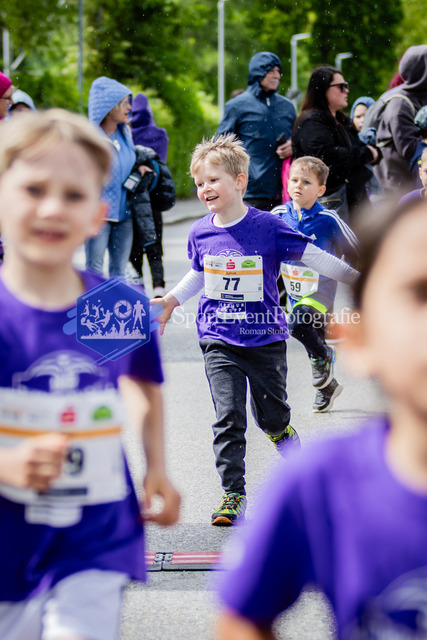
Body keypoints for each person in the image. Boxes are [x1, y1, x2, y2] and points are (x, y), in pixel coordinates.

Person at [0, 109, 180, 640]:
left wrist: (156, 465)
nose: (53, 208)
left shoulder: (113, 304)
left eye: (74, 195)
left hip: (96, 535)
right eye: (34, 189)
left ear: (98, 215)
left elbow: (142, 382)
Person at [215, 196, 427, 639]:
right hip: (241, 334)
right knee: (237, 415)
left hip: (277, 332)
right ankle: (233, 489)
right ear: (360, 339)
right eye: (419, 293)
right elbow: (241, 621)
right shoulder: (318, 480)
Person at [154, 134, 358, 527]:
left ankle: (292, 452)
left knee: (272, 419)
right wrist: (172, 301)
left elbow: (316, 257)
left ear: (240, 181)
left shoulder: (268, 226)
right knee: (228, 416)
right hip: (218, 338)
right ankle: (233, 493)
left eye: (213, 180)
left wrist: (365, 282)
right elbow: (199, 273)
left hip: (265, 339)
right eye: (199, 182)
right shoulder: (200, 231)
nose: (205, 188)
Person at [272, 156, 359, 412]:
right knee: (312, 339)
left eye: (306, 182)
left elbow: (356, 251)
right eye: (294, 180)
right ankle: (327, 388)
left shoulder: (328, 219)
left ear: (320, 190)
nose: (298, 185)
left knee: (298, 324)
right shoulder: (278, 216)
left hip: (321, 294)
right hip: (294, 291)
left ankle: (325, 356)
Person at [292, 66, 379, 223]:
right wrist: (367, 154)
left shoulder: (340, 119)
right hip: (329, 200)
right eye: (341, 87)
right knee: (334, 241)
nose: (347, 90)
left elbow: (356, 148)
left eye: (346, 86)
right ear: (324, 90)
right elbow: (326, 157)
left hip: (350, 199)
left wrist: (370, 152)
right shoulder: (312, 121)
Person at [217, 52, 296, 211]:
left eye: (278, 71)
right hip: (250, 193)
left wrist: (293, 146)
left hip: (286, 192)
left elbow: (301, 139)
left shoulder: (287, 106)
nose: (276, 76)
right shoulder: (236, 106)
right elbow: (221, 148)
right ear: (257, 72)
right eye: (270, 71)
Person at [86, 76, 137, 277]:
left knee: (119, 273)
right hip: (99, 216)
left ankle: (116, 301)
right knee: (94, 271)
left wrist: (141, 169)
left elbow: (129, 165)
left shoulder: (126, 134)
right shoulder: (91, 139)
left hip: (125, 214)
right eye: (124, 103)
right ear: (109, 107)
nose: (129, 107)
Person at [130, 94, 175, 297]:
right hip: (154, 196)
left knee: (135, 247)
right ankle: (159, 287)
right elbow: (161, 162)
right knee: (154, 243)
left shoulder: (127, 134)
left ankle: (137, 289)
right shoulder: (159, 134)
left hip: (133, 197)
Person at [373, 45, 427, 193]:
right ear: (422, 71)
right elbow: (411, 151)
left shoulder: (420, 98)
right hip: (398, 193)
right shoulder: (400, 104)